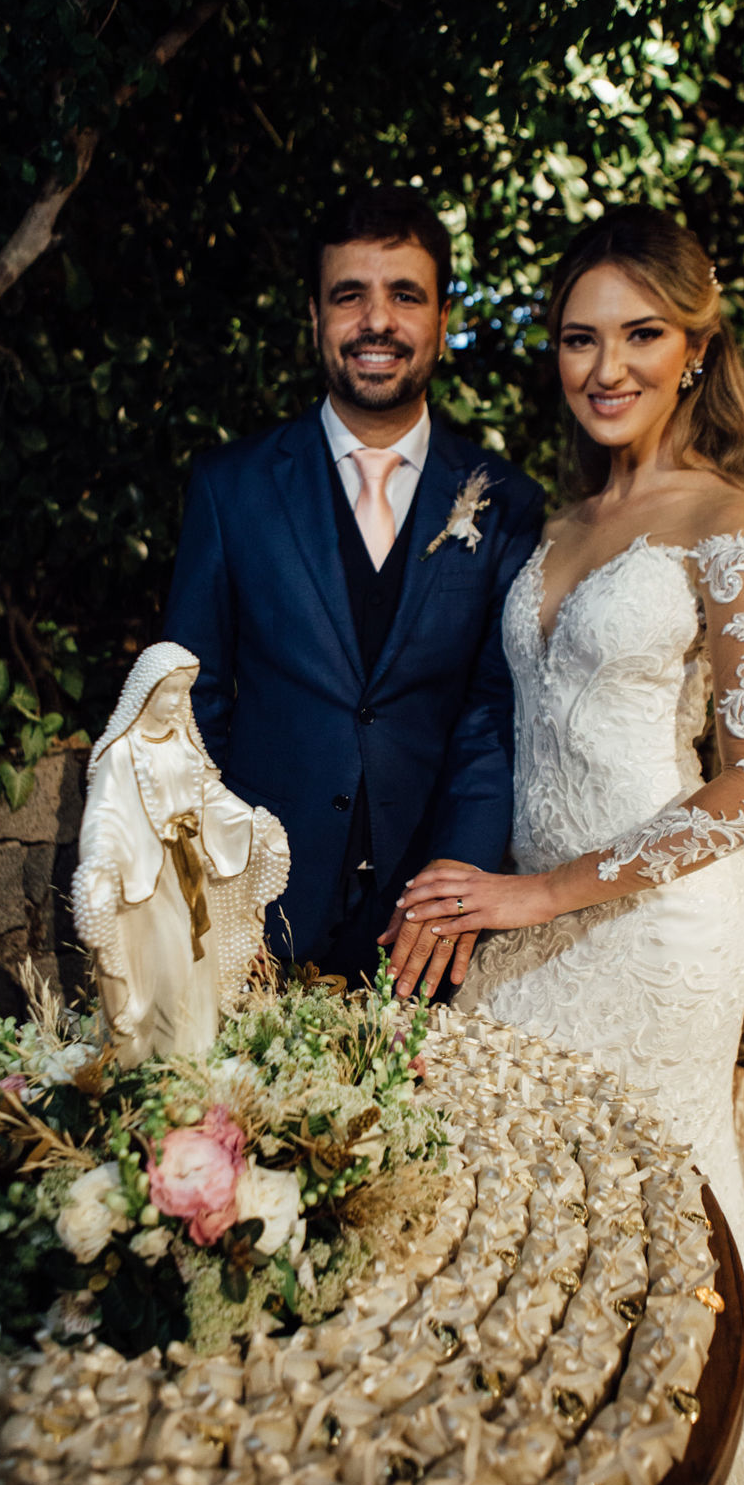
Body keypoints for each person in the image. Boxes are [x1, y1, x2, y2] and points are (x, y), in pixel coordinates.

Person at [394, 206, 744, 1485]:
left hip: (651, 934)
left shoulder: (729, 517)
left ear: (693, 347)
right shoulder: (562, 514)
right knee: (522, 1228)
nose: (604, 365)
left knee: (657, 1232)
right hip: (533, 922)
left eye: (638, 333)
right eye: (580, 337)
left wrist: (538, 892)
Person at [164, 185, 544, 992]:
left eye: (405, 295)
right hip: (257, 913)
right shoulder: (230, 488)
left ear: (442, 319)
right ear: (314, 316)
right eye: (350, 296)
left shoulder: (506, 501)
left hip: (430, 921)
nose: (377, 322)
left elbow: (495, 714)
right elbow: (193, 705)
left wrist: (459, 870)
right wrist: (216, 893)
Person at [73, 642, 290, 1067]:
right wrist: (99, 863)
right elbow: (104, 815)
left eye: (182, 691)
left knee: (198, 964)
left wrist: (251, 823)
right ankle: (161, 1059)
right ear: (144, 692)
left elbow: (207, 796)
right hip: (148, 882)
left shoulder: (182, 744)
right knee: (166, 966)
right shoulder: (123, 752)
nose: (175, 701)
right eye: (167, 691)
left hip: (189, 872)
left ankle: (198, 1055)